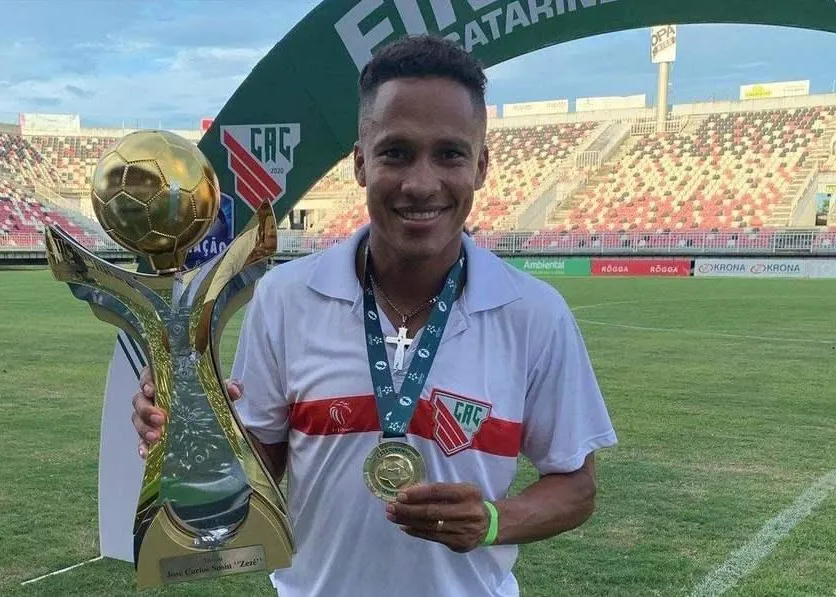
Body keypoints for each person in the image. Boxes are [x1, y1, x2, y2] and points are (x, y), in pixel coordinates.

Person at [132, 34, 617, 597]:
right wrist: (194, 423)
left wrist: (492, 521)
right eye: (396, 152)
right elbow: (260, 463)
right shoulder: (286, 296)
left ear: (481, 167)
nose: (420, 183)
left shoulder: (534, 313)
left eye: (450, 154)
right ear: (361, 164)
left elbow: (576, 486)